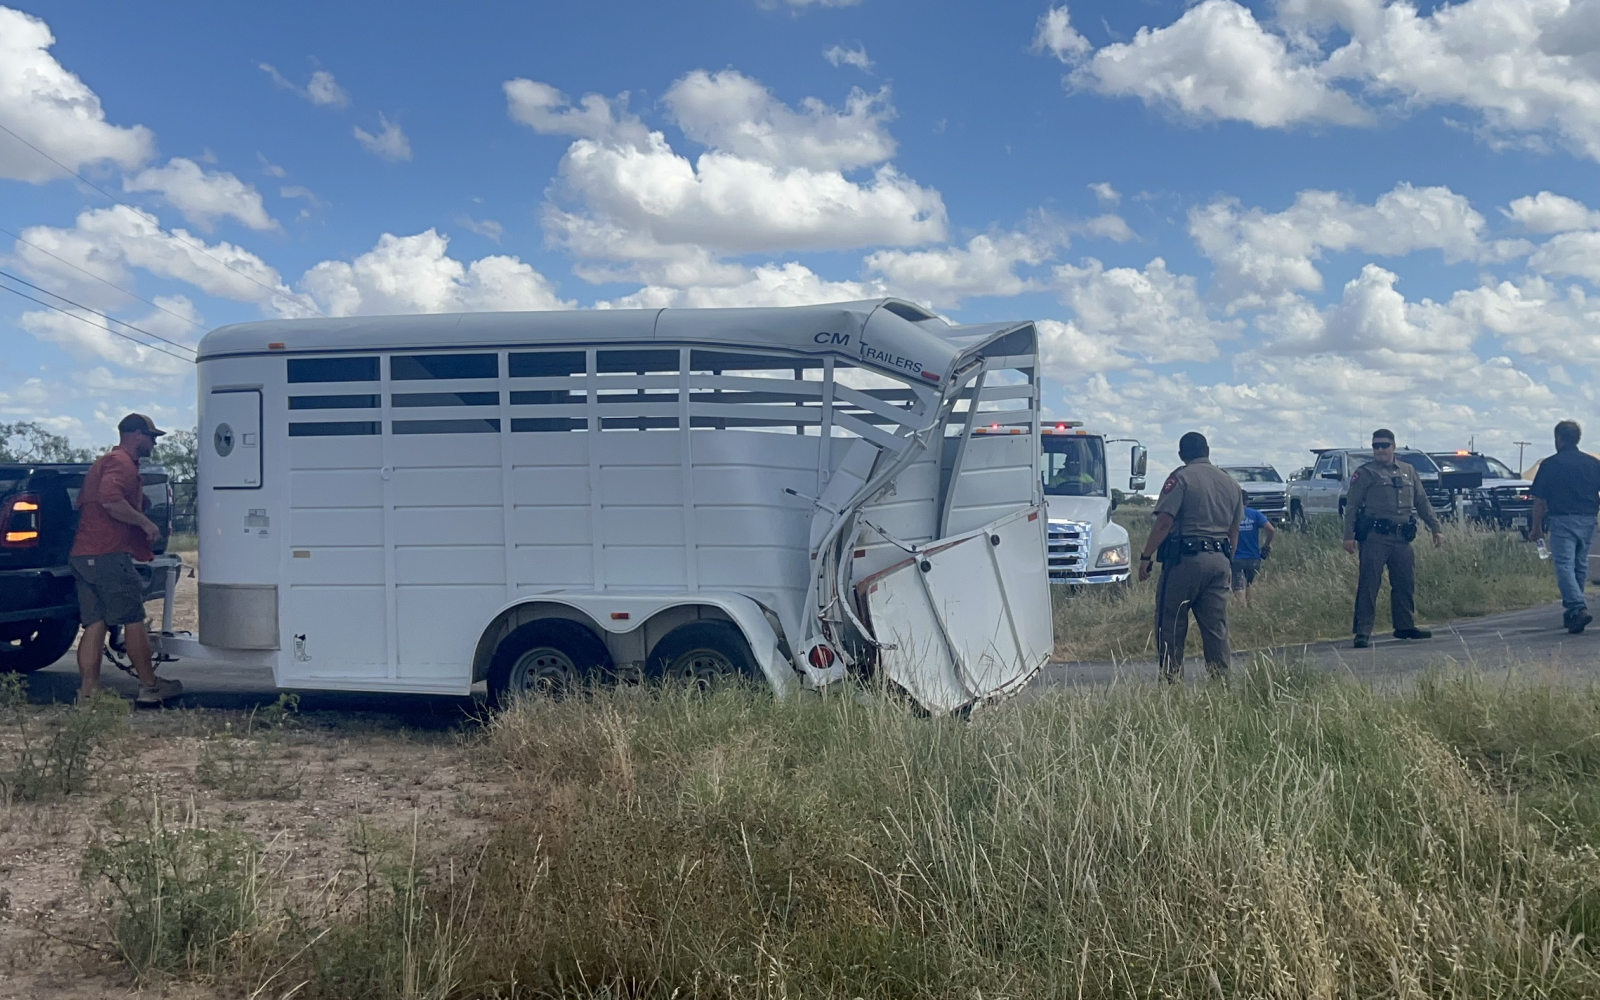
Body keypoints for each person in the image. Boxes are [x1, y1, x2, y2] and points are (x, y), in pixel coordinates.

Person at [69, 413, 183, 705]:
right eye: (151, 437)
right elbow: (110, 499)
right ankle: (150, 686)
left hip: (84, 555)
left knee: (95, 623)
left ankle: (89, 692)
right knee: (133, 619)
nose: (154, 443)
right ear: (135, 435)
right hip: (108, 554)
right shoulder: (120, 463)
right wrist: (145, 523)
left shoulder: (107, 462)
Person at [1137, 432, 1244, 682]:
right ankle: (1221, 683)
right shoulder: (1230, 483)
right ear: (1207, 450)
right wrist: (1228, 559)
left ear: (1181, 454)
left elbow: (1164, 522)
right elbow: (1234, 530)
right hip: (1220, 560)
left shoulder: (1181, 478)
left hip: (1185, 561)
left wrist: (1146, 556)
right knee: (1216, 628)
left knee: (1171, 624)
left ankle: (1171, 683)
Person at [1343, 428, 1444, 649]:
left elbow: (1422, 502)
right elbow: (1352, 507)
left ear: (1393, 446)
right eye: (1375, 446)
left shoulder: (1408, 471)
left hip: (1402, 538)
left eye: (1384, 445)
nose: (1380, 450)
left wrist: (1436, 528)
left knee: (1405, 583)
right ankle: (1362, 631)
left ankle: (1405, 626)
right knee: (1369, 584)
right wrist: (1348, 536)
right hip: (1375, 537)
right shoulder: (1365, 473)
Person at [1529, 420, 1600, 634]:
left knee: (1564, 565)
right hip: (1588, 519)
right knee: (1579, 565)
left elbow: (1540, 501)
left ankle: (1577, 606)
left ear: (1558, 438)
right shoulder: (1592, 463)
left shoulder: (1550, 464)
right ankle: (1573, 613)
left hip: (1562, 519)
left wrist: (1536, 527)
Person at [1231, 496, 1276, 606]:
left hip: (1236, 557)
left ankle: (1242, 610)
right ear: (1248, 501)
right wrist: (1266, 544)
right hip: (1254, 558)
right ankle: (1250, 610)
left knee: (1238, 586)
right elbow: (1271, 529)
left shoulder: (1231, 515)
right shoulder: (1255, 514)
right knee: (1249, 584)